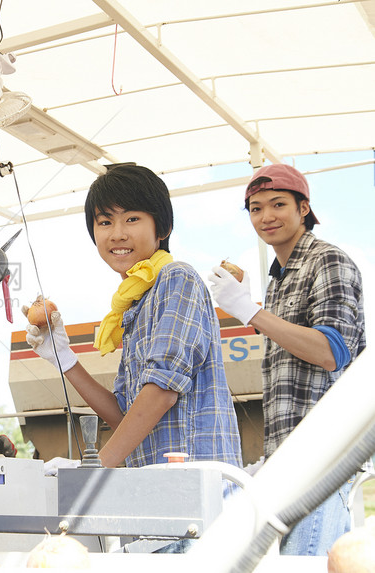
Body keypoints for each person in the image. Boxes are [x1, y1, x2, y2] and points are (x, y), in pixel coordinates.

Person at [24, 164, 242, 471]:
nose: (118, 234)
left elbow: (162, 392)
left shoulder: (176, 279)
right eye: (105, 222)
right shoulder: (135, 303)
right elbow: (124, 416)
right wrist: (64, 359)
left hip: (195, 484)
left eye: (132, 218)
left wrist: (95, 470)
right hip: (157, 484)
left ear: (162, 228)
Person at [208, 163, 366, 556]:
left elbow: (331, 353)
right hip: (289, 459)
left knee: (305, 563)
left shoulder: (328, 261)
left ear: (304, 208)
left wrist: (250, 312)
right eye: (256, 208)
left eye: (278, 204)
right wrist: (270, 459)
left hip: (323, 453)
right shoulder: (278, 279)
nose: (267, 217)